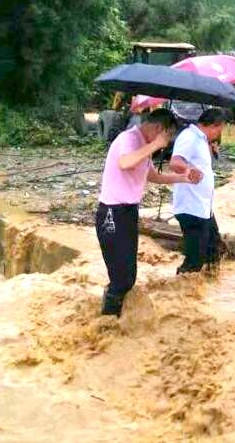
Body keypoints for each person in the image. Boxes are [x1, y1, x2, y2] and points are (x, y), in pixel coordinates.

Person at [96, 108, 200, 317]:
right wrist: (154, 145)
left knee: (129, 275)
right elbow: (125, 162)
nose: (168, 142)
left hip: (128, 212)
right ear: (158, 129)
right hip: (111, 213)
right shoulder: (129, 138)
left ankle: (113, 317)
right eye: (168, 136)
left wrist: (185, 178)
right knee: (122, 278)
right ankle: (106, 324)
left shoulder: (143, 145)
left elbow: (154, 176)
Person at [169, 108, 226, 274]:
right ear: (214, 126)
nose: (219, 134)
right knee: (195, 260)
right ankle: (179, 292)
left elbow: (201, 162)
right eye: (220, 130)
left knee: (213, 251)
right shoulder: (189, 137)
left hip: (203, 207)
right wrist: (190, 169)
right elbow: (175, 162)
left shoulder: (201, 139)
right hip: (191, 207)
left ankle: (206, 289)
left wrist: (211, 148)